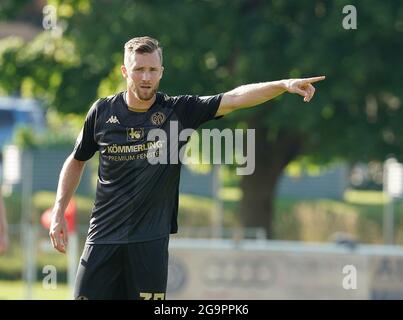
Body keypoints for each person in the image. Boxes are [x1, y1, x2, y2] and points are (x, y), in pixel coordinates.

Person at [49, 36, 325, 300]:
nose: (146, 77)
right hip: (103, 239)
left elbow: (235, 98)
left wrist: (284, 84)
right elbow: (76, 159)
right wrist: (59, 211)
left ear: (161, 72)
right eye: (139, 69)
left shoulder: (178, 111)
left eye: (152, 70)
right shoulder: (101, 112)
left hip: (149, 243)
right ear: (125, 71)